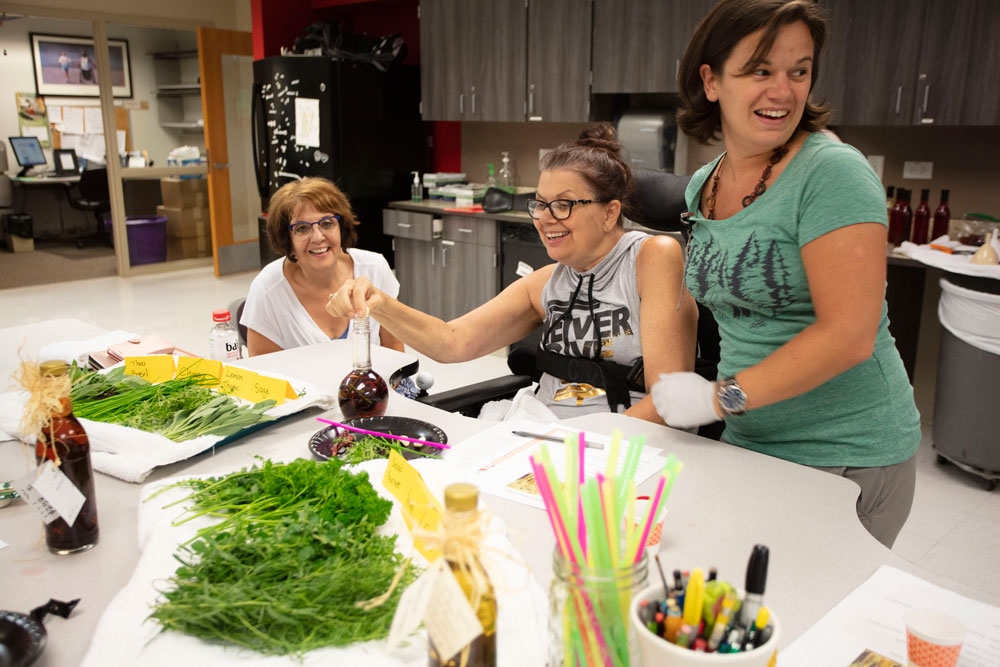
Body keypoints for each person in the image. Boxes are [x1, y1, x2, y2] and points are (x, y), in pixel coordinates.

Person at [651, 0, 920, 548]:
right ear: (711, 81)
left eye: (799, 71)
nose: (783, 91)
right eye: (760, 70)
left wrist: (717, 399)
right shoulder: (705, 183)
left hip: (846, 455)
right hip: (752, 442)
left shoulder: (832, 173)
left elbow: (848, 336)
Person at [328, 124, 698, 424]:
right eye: (540, 204)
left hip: (622, 448)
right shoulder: (547, 282)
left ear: (610, 212)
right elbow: (452, 341)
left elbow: (667, 401)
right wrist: (379, 302)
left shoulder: (652, 257)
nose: (545, 218)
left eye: (563, 205)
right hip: (541, 431)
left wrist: (589, 450)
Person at [241, 177, 404, 356]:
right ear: (287, 239)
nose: (318, 237)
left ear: (341, 227)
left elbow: (396, 355)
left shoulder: (375, 269)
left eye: (327, 224)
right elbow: (262, 370)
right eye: (302, 228)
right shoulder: (267, 289)